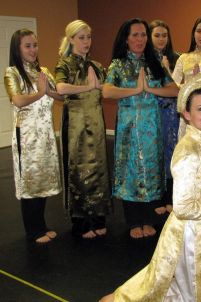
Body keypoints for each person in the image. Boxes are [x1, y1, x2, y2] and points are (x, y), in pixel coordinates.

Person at [100, 74, 201, 302]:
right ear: (186, 114)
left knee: (192, 286)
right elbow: (182, 207)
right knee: (196, 290)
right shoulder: (189, 151)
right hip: (191, 235)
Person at [103, 18, 179, 239]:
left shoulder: (154, 61)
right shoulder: (118, 64)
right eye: (135, 35)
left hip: (152, 127)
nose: (140, 39)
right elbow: (107, 92)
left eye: (143, 34)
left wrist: (150, 90)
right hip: (129, 128)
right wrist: (136, 90)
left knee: (152, 170)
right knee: (131, 171)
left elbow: (174, 89)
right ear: (126, 39)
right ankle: (134, 221)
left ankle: (149, 218)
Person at [55, 20, 111, 239]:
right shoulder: (65, 64)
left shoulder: (97, 66)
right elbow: (61, 88)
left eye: (88, 37)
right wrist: (89, 86)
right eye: (81, 38)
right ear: (70, 39)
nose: (86, 42)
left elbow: (108, 89)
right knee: (78, 170)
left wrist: (102, 86)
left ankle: (98, 218)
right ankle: (81, 221)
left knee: (99, 170)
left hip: (96, 123)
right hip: (76, 125)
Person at [4, 29, 61, 244]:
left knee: (43, 181)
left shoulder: (43, 71)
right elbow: (17, 100)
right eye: (27, 46)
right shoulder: (12, 72)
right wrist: (40, 92)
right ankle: (33, 231)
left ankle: (42, 225)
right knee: (30, 183)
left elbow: (59, 95)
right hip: (26, 138)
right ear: (17, 49)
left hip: (45, 136)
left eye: (35, 45)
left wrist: (48, 91)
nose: (33, 49)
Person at [149, 19, 180, 216]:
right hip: (153, 112)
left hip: (173, 113)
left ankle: (171, 197)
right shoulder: (145, 60)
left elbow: (179, 88)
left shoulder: (176, 58)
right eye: (157, 35)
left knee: (173, 153)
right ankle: (157, 197)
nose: (161, 39)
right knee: (156, 153)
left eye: (164, 35)